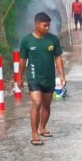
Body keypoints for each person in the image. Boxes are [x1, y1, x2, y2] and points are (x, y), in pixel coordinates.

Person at [18, 12, 66, 145]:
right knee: (37, 102)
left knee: (46, 105)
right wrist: (20, 77)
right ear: (37, 24)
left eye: (48, 25)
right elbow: (22, 61)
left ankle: (42, 128)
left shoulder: (53, 39)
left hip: (49, 78)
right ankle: (34, 134)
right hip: (34, 78)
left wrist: (62, 75)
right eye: (45, 25)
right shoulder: (27, 40)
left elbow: (58, 57)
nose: (47, 28)